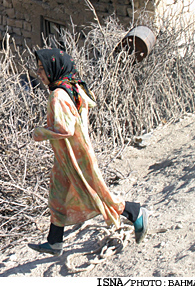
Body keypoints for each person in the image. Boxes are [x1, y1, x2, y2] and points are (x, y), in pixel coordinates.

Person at [28, 48, 149, 257]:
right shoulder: (73, 86)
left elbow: (64, 129)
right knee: (57, 195)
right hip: (72, 154)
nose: (39, 74)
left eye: (42, 69)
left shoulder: (57, 95)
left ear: (53, 68)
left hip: (74, 157)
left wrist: (39, 132)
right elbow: (87, 105)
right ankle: (54, 241)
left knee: (94, 193)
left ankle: (135, 211)